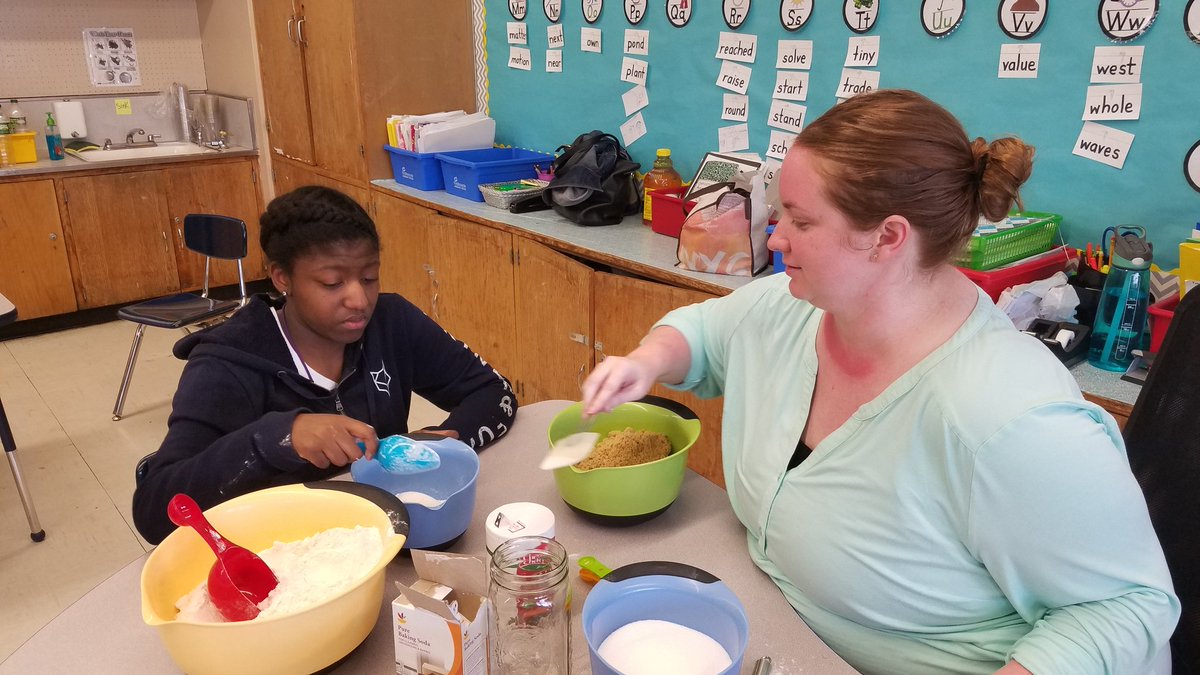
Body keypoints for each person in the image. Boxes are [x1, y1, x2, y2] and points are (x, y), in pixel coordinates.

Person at [582, 90, 1179, 674]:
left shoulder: (1008, 420)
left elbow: (1127, 609)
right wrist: (645, 362)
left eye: (801, 220)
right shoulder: (795, 307)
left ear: (888, 237)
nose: (775, 235)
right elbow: (706, 331)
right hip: (778, 629)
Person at [133, 186, 517, 544]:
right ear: (283, 278)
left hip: (379, 539)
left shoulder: (391, 322)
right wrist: (276, 439)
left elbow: (493, 390)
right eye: (333, 283)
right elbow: (154, 510)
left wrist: (449, 436)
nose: (359, 300)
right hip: (283, 556)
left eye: (369, 277)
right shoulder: (226, 363)